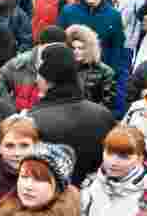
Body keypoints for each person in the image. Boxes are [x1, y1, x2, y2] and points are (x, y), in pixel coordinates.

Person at [28, 43, 117, 184]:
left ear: (47, 79)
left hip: (48, 198)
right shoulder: (103, 115)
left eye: (38, 74)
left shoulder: (33, 120)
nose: (36, 79)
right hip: (94, 195)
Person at [67, 23, 118, 112]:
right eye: (73, 48)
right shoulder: (65, 68)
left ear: (89, 48)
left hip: (93, 118)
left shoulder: (105, 72)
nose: (76, 51)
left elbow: (108, 103)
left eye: (81, 48)